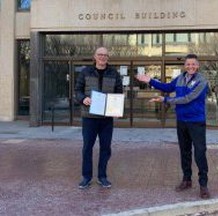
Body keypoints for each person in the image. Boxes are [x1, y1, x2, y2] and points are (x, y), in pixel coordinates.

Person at [136, 54, 210, 199]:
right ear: (185, 65)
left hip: (196, 121)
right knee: (185, 152)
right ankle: (187, 180)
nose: (190, 67)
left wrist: (166, 99)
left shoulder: (202, 81)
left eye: (193, 64)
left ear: (198, 65)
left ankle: (203, 184)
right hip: (182, 121)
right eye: (188, 64)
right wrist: (150, 80)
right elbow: (167, 87)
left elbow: (188, 99)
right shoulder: (180, 78)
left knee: (200, 152)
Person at [75, 47, 123, 189]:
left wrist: (117, 108)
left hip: (106, 119)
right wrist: (83, 99)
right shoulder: (85, 72)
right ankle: (86, 177)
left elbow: (119, 93)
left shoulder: (114, 73)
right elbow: (77, 90)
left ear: (108, 58)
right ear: (94, 57)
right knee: (87, 147)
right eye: (100, 55)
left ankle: (102, 176)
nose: (102, 57)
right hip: (89, 117)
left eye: (105, 55)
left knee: (105, 148)